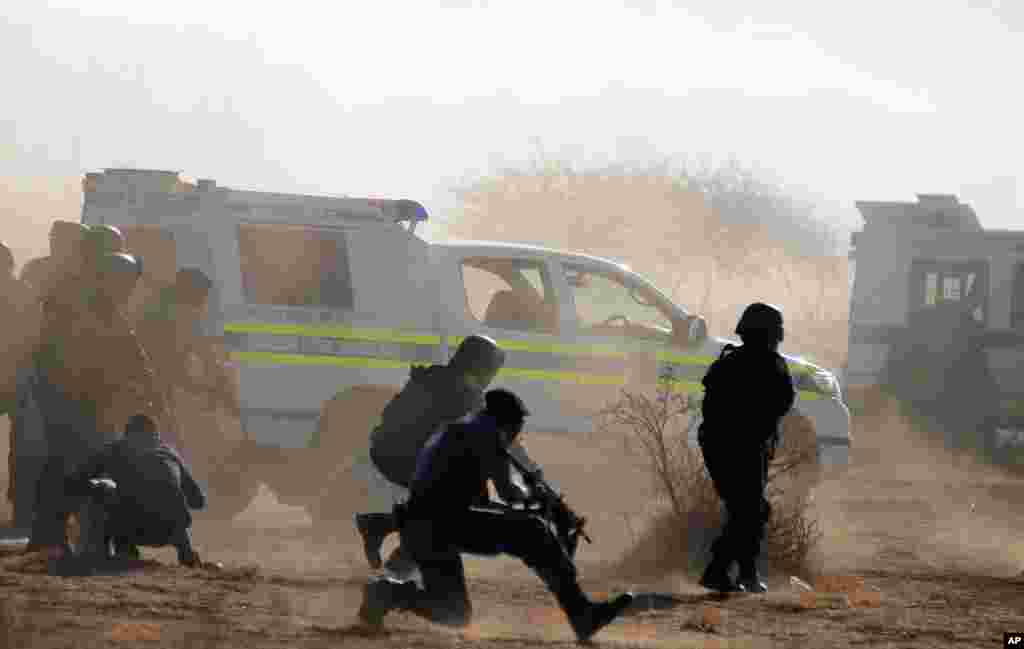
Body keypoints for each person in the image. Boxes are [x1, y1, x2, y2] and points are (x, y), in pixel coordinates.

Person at [357, 389, 634, 642]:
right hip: (438, 527)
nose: (517, 434)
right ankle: (581, 614)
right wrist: (541, 501)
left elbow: (479, 503)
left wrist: (538, 506)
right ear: (507, 422)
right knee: (532, 531)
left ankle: (386, 593)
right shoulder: (485, 436)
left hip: (429, 527)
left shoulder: (460, 431)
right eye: (518, 427)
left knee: (454, 613)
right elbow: (509, 492)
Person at [28, 251, 167, 552]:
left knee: (78, 467)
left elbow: (134, 356)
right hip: (75, 403)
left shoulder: (104, 309)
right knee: (71, 467)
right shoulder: (86, 310)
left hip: (87, 403)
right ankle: (52, 536)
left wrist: (147, 388)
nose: (129, 290)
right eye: (126, 283)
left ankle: (64, 536)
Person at [353, 334, 507, 572]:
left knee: (445, 506)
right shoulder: (464, 392)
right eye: (490, 369)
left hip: (388, 449)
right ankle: (397, 560)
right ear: (479, 366)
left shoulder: (438, 376)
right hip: (403, 454)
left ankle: (381, 530)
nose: (490, 377)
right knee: (450, 511)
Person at [697, 302, 795, 594]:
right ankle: (720, 572)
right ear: (770, 333)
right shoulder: (770, 365)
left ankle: (744, 575)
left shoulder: (727, 362)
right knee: (750, 511)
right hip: (745, 449)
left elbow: (710, 411)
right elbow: (783, 403)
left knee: (747, 511)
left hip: (719, 449)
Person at [63, 414, 205, 567]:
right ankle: (186, 552)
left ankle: (118, 552)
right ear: (155, 435)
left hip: (134, 527)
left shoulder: (115, 449)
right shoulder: (169, 454)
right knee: (169, 499)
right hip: (170, 531)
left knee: (104, 489)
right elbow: (198, 501)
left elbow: (77, 478)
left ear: (127, 434)